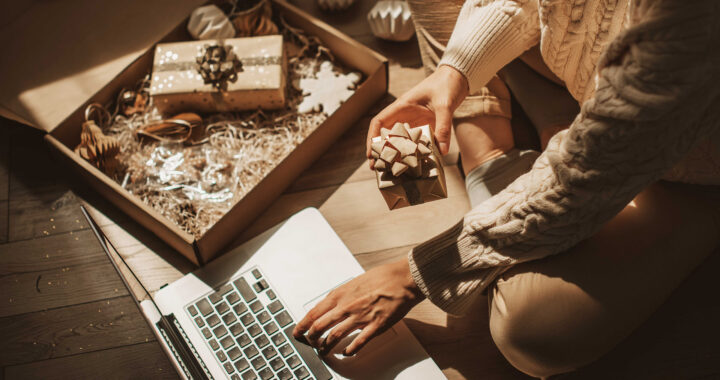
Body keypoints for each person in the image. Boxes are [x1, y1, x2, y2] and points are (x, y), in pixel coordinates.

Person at [293, 0, 720, 377]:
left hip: (680, 168)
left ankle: (499, 159)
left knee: (531, 332)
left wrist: (417, 273)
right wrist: (455, 73)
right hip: (578, 80)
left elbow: (600, 166)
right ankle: (517, 158)